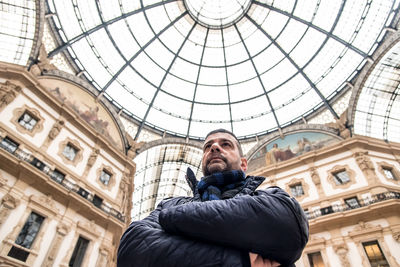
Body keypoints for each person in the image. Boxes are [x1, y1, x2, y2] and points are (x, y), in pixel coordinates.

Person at [118, 129, 309, 267]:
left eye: (225, 144)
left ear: (244, 164)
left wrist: (174, 219)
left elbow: (291, 230)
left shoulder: (272, 198)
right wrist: (242, 261)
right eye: (208, 146)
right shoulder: (171, 203)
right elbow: (132, 250)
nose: (215, 147)